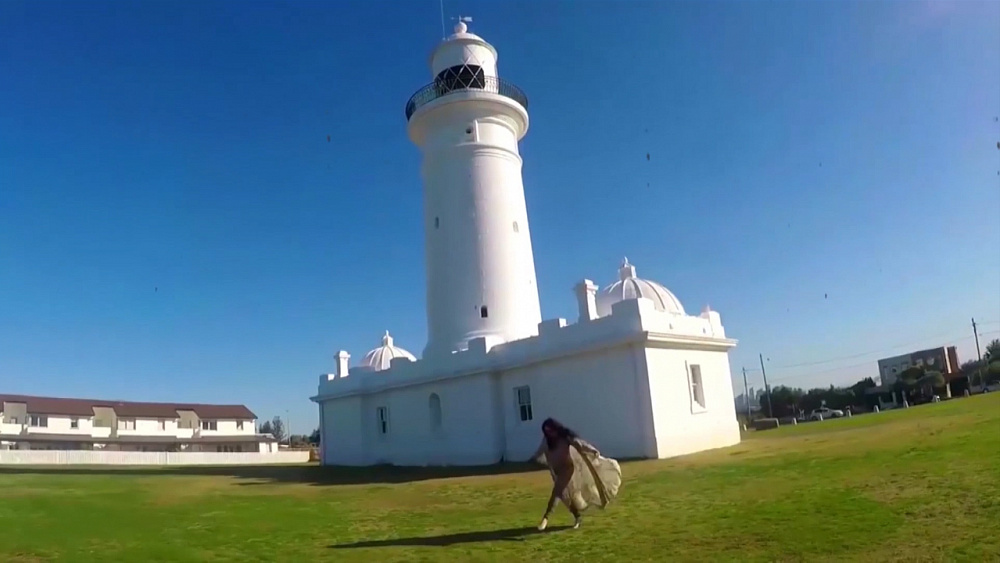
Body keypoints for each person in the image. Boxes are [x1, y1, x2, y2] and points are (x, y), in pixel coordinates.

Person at [529, 417, 622, 531]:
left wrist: (592, 450)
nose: (549, 433)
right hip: (557, 472)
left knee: (557, 492)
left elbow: (580, 444)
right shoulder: (547, 442)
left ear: (555, 429)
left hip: (567, 470)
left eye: (550, 430)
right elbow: (540, 452)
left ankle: (545, 518)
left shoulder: (565, 438)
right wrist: (533, 459)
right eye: (546, 431)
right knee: (566, 498)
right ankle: (577, 517)